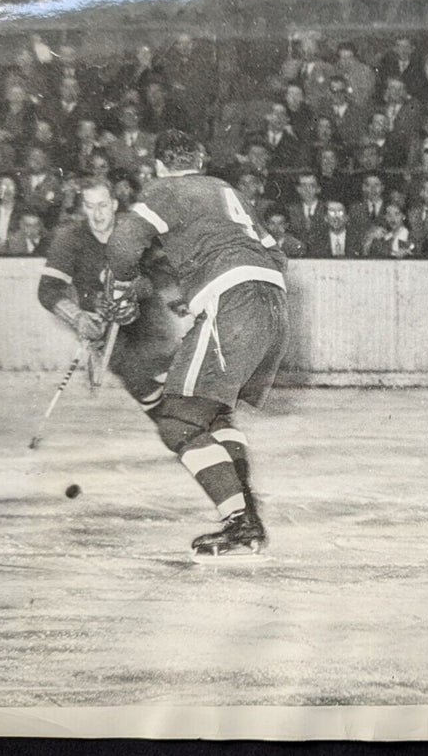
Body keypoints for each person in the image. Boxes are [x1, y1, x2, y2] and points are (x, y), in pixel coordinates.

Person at [105, 129, 290, 557]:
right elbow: (276, 254)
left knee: (178, 421)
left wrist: (119, 293)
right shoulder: (227, 190)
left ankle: (241, 522)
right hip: (274, 302)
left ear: (158, 165)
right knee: (212, 412)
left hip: (234, 301)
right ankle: (244, 508)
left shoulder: (164, 188)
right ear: (201, 160)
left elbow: (121, 245)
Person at [38, 179, 181, 428]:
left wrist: (144, 284)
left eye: (103, 205)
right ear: (83, 208)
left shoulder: (135, 230)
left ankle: (186, 409)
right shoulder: (69, 238)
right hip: (99, 316)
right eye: (90, 206)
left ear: (114, 204)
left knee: (164, 356)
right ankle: (173, 424)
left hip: (143, 308)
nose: (97, 214)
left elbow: (165, 270)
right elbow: (48, 289)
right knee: (132, 373)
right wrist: (77, 318)